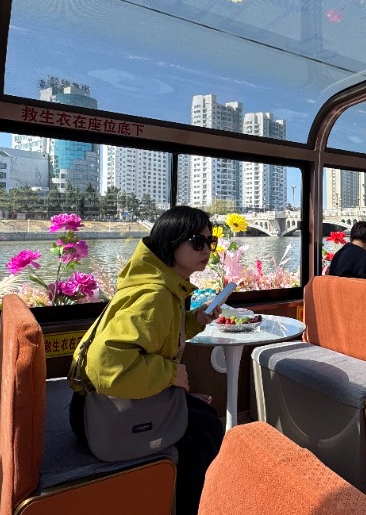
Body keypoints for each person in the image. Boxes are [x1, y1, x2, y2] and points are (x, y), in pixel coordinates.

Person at [69, 206, 224, 514]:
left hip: (96, 403)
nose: (207, 250)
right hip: (101, 416)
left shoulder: (163, 284)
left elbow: (155, 335)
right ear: (171, 243)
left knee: (202, 412)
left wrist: (195, 320)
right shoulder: (155, 296)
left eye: (211, 242)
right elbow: (106, 367)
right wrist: (170, 375)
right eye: (198, 242)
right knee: (206, 430)